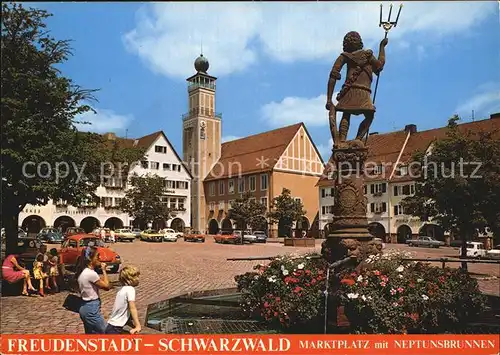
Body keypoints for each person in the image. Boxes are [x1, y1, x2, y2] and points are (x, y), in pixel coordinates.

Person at [75, 246, 111, 334]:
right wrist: (104, 270)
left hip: (85, 306)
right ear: (90, 259)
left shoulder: (84, 272)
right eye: (97, 256)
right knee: (108, 333)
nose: (99, 258)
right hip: (91, 308)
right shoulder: (90, 274)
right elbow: (107, 286)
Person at [105, 266, 141, 334]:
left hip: (111, 326)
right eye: (137, 277)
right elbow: (132, 308)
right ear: (130, 279)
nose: (138, 279)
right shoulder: (130, 289)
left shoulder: (122, 289)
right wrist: (137, 325)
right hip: (116, 328)